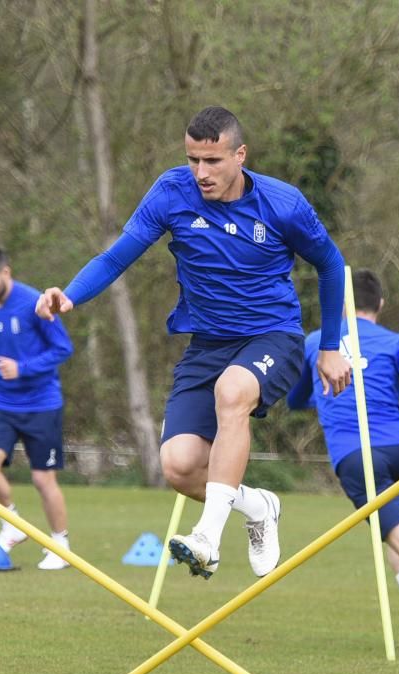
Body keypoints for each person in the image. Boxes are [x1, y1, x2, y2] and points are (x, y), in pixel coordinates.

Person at [35, 105, 351, 580]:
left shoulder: (283, 204)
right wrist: (70, 296)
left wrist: (329, 346)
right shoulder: (171, 193)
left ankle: (207, 535)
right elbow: (117, 256)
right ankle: (258, 507)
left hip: (273, 336)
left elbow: (330, 265)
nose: (201, 172)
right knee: (179, 466)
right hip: (207, 344)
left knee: (233, 392)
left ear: (240, 155)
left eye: (213, 161)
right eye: (193, 160)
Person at [287, 268, 399, 639]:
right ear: (380, 304)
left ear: (339, 304)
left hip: (358, 459)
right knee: (396, 528)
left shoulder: (317, 343)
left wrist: (320, 396)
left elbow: (294, 398)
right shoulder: (396, 342)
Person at [0, 246, 74, 570]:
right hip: (4, 404)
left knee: (43, 480)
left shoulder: (34, 303)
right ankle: (12, 524)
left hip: (43, 404)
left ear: (5, 272)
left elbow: (63, 348)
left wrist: (23, 368)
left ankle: (60, 545)